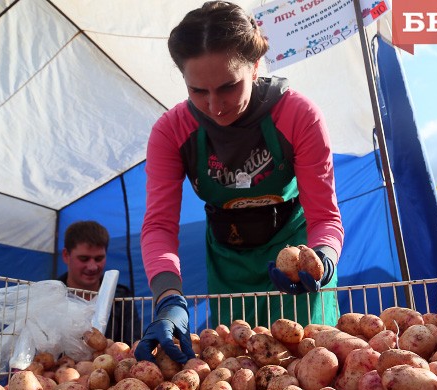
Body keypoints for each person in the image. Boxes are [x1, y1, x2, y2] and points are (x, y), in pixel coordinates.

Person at [134, 1, 344, 364]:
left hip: (295, 266)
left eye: (228, 86)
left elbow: (325, 217)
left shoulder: (297, 115)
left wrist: (321, 261)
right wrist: (167, 295)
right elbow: (158, 226)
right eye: (198, 90)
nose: (214, 106)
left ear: (256, 66)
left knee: (310, 369)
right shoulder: (171, 132)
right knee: (237, 372)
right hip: (228, 268)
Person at [58, 220, 141, 345]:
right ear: (66, 255)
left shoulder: (121, 298)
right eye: (84, 259)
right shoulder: (50, 296)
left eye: (99, 258)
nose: (92, 267)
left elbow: (133, 343)